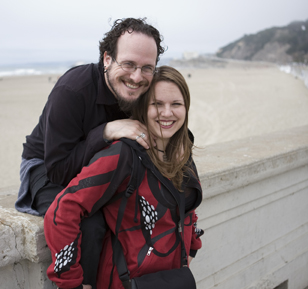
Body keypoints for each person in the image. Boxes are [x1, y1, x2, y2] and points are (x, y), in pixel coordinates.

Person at [15, 17, 165, 288]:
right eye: (128, 64)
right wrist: (107, 130)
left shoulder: (142, 89)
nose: (136, 77)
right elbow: (58, 169)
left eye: (147, 68)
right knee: (90, 225)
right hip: (46, 165)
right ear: (107, 58)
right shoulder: (73, 90)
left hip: (106, 164)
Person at [44, 66, 204, 289]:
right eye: (157, 104)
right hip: (124, 282)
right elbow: (63, 210)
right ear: (142, 108)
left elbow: (187, 206)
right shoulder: (123, 155)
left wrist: (192, 246)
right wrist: (71, 282)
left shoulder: (182, 152)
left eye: (176, 104)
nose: (167, 113)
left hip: (173, 280)